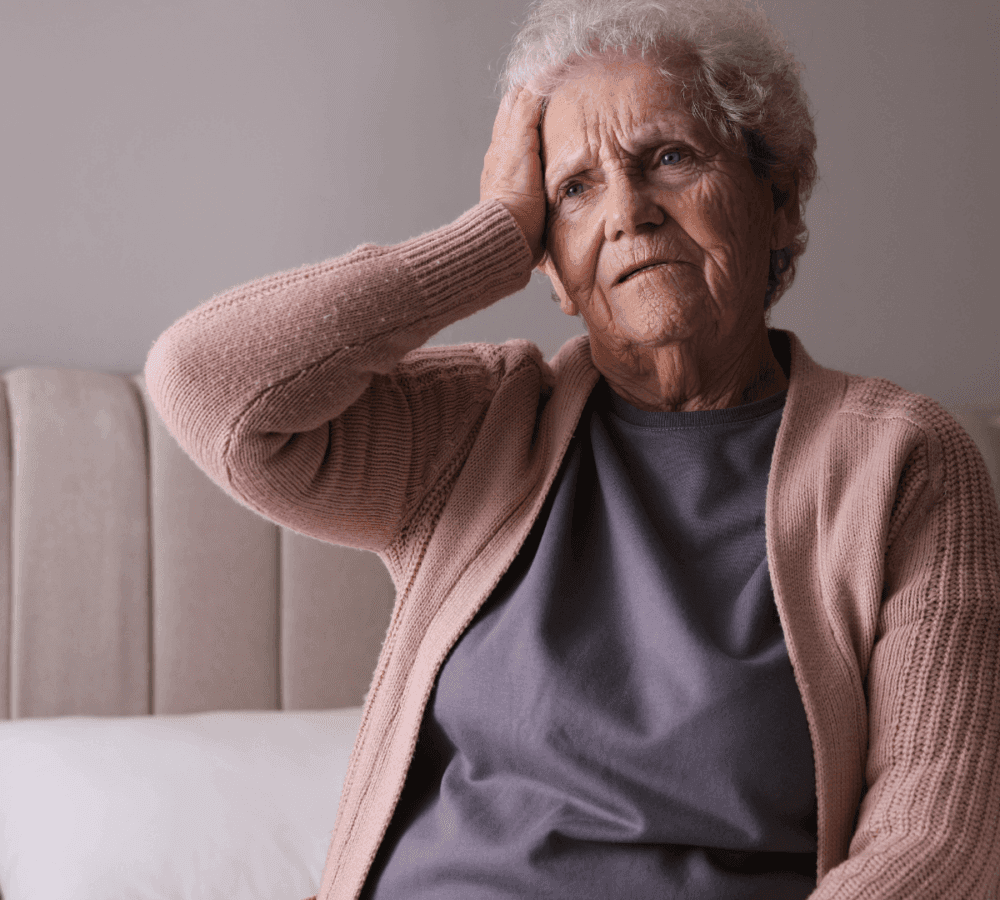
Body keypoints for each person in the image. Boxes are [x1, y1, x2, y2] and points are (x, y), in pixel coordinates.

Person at [144, 0, 1000, 897]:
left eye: (669, 157)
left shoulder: (902, 463)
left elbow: (937, 843)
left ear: (778, 200)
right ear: (551, 265)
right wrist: (491, 238)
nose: (629, 213)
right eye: (574, 191)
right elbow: (209, 386)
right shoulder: (477, 427)